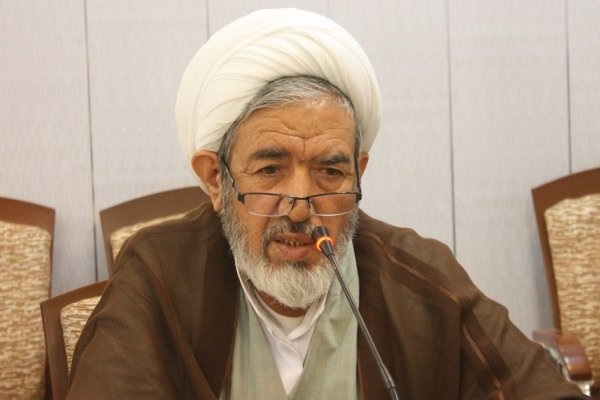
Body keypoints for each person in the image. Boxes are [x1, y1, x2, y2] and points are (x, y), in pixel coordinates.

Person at [67, 8, 588, 400]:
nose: (300, 206)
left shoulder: (423, 282)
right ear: (215, 179)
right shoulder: (159, 273)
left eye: (330, 172)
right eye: (270, 170)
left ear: (359, 173)